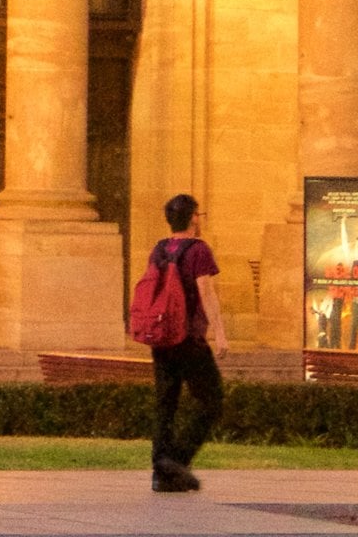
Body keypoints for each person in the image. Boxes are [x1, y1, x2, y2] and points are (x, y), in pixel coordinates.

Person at [148, 192, 228, 493]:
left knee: (165, 404)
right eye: (199, 214)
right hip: (189, 339)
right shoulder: (199, 250)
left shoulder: (159, 250)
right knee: (212, 399)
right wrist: (219, 332)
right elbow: (206, 293)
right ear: (193, 217)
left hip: (162, 337)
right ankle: (178, 460)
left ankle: (162, 472)